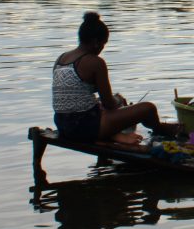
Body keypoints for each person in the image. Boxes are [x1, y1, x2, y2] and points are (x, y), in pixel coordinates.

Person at [52, 12, 181, 144]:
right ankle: (158, 128)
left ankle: (115, 134)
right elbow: (109, 103)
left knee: (105, 108)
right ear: (96, 42)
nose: (102, 48)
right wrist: (118, 101)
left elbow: (74, 98)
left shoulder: (61, 58)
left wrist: (101, 104)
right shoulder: (95, 62)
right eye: (103, 44)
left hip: (62, 125)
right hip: (85, 127)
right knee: (148, 108)